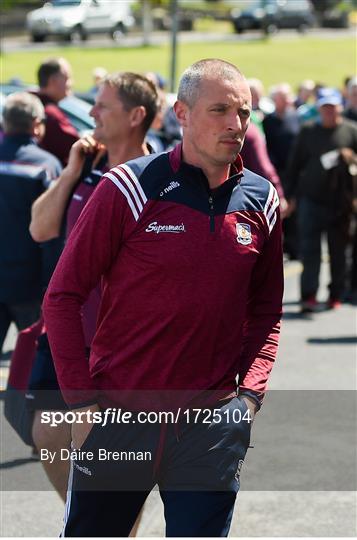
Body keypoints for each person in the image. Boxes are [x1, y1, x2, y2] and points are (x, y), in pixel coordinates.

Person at [43, 59, 283, 537]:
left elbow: (266, 311)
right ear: (182, 114)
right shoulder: (128, 187)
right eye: (220, 111)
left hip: (210, 425)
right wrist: (82, 403)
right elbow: (63, 296)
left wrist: (249, 398)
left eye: (244, 113)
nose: (235, 125)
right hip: (118, 417)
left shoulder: (263, 200)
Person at [29, 72, 158, 514]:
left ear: (136, 116)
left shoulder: (160, 180)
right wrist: (69, 171)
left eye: (102, 106)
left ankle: (103, 524)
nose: (91, 113)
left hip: (121, 346)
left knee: (109, 458)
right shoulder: (86, 166)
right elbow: (40, 227)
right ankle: (94, 521)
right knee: (48, 433)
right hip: (67, 330)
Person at [285, 87, 357, 313]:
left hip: (340, 205)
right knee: (310, 250)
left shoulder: (351, 131)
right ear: (319, 109)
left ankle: (336, 293)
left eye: (332, 107)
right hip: (311, 200)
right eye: (325, 107)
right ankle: (309, 295)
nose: (329, 111)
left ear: (339, 108)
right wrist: (290, 196)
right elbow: (294, 166)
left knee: (339, 252)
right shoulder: (308, 131)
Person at [0, 92, 62, 354]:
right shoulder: (46, 166)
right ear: (37, 124)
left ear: (5, 123)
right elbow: (53, 231)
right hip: (29, 283)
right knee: (30, 363)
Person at [263, 83, 300, 258]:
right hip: (275, 172)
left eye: (287, 97)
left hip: (293, 171)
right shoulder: (268, 121)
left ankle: (294, 246)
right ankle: (280, 246)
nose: (286, 101)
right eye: (282, 98)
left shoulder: (295, 117)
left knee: (293, 207)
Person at [35, 57, 79, 165]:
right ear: (52, 81)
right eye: (67, 78)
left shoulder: (29, 103)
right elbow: (75, 146)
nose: (71, 83)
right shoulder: (50, 113)